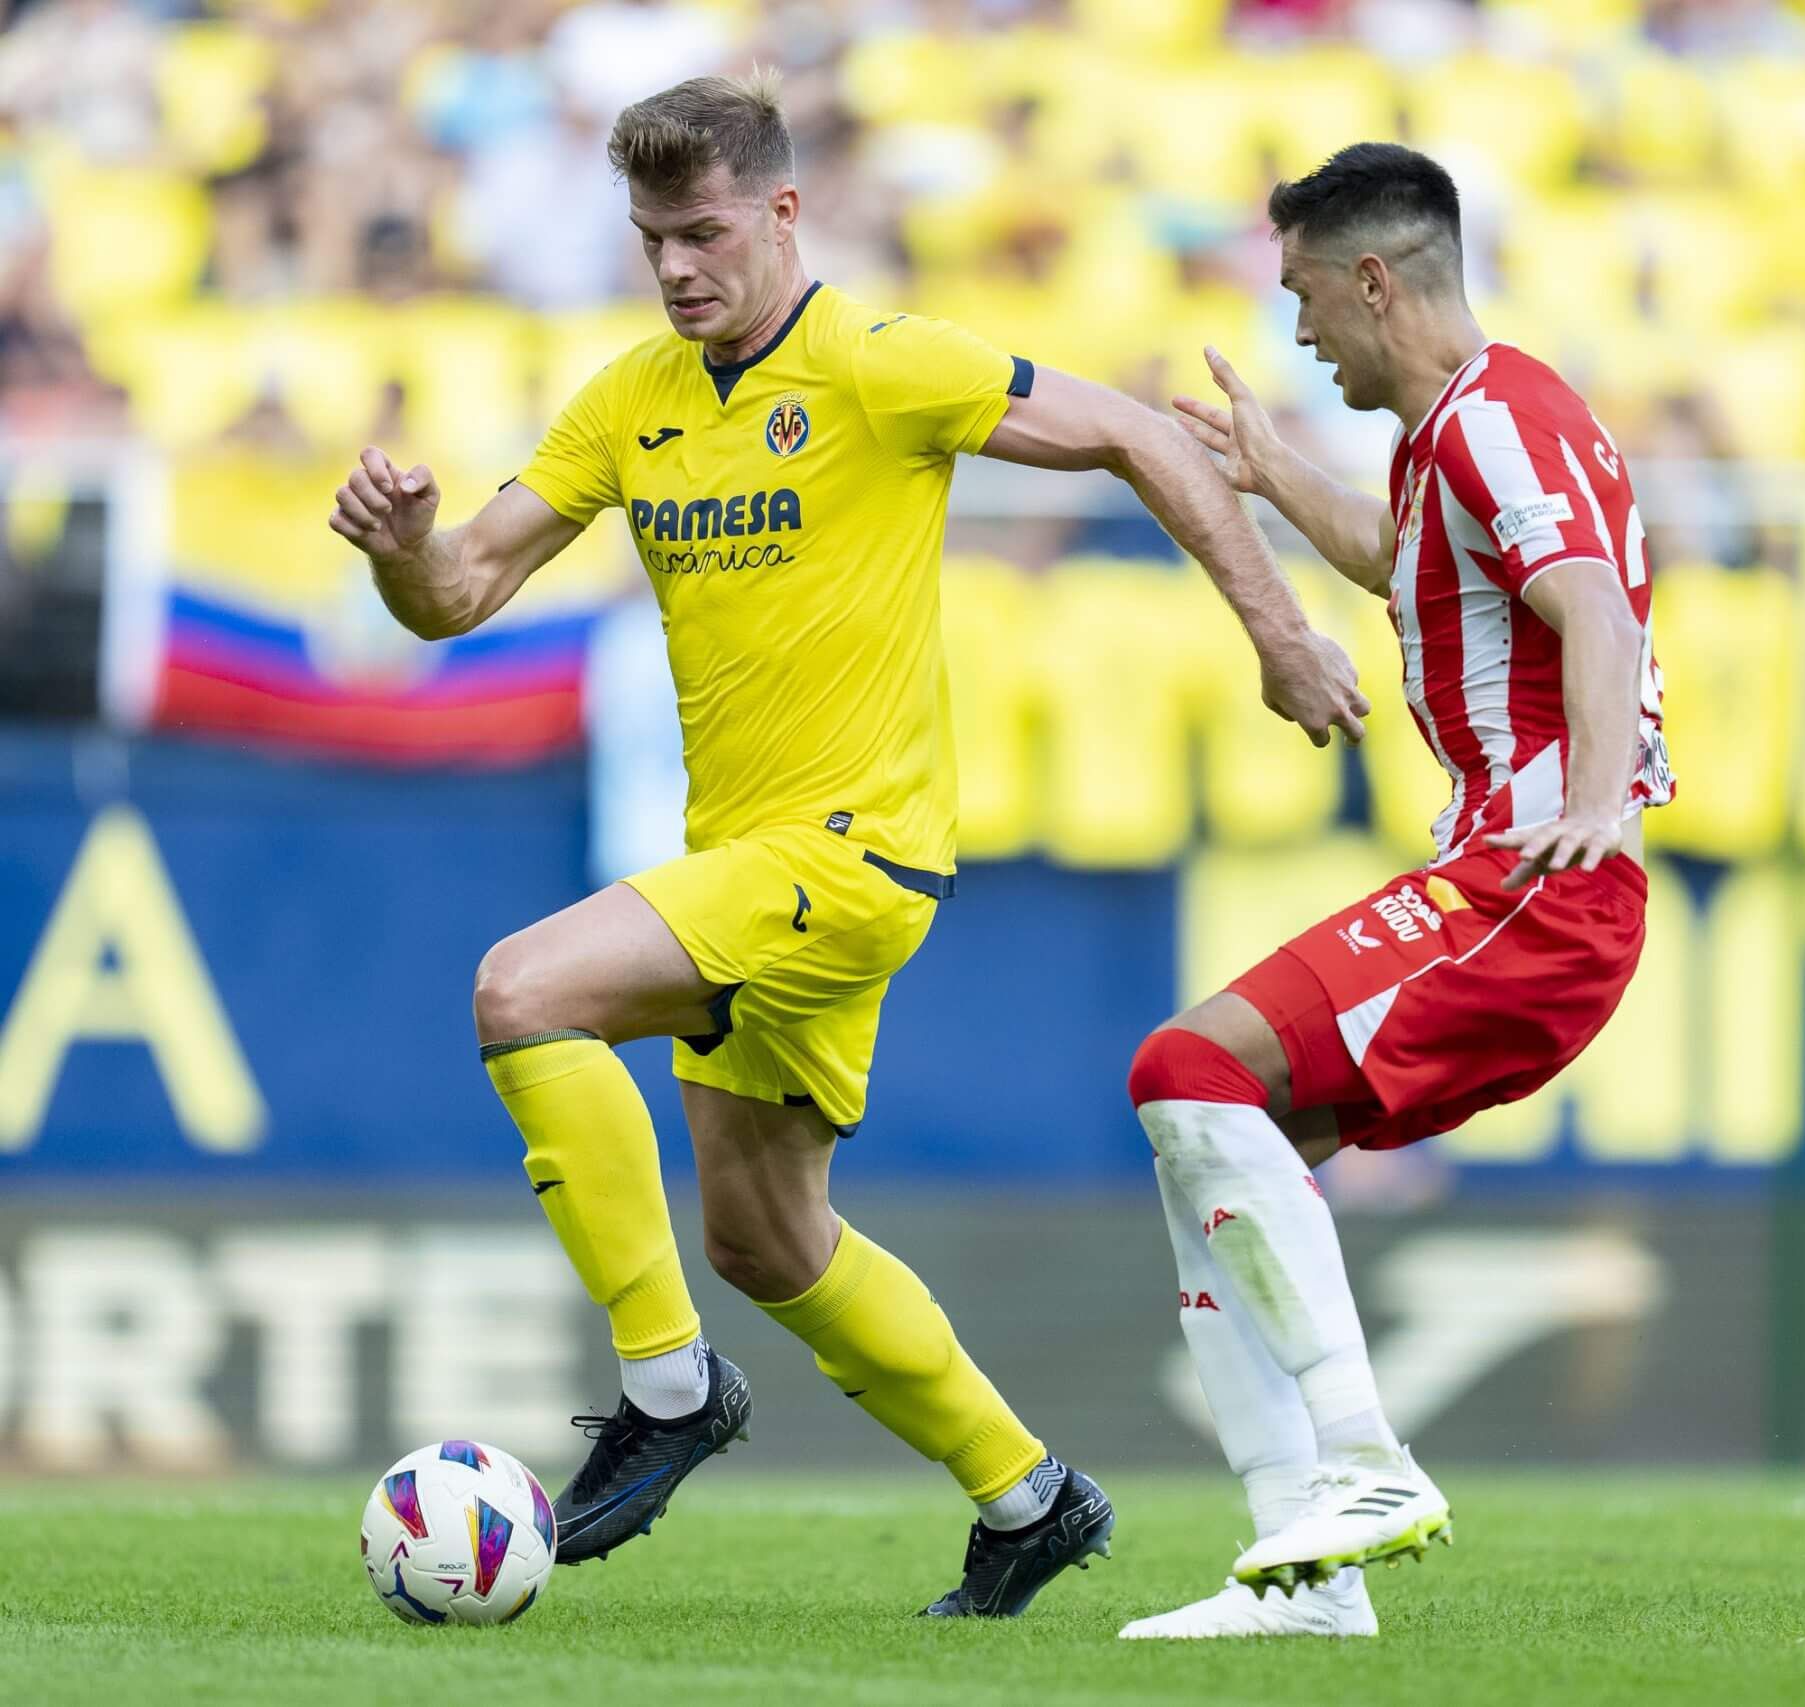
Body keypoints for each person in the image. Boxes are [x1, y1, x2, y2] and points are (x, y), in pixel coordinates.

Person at [325, 72, 1366, 1617]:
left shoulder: (882, 367)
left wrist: (1280, 637)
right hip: (753, 868)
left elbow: (1144, 436)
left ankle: (669, 1393)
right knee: (765, 1238)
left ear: (782, 212)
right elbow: (463, 591)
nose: (675, 267)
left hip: (852, 856)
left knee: (521, 992)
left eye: (701, 231)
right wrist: (408, 546)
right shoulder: (632, 398)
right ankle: (1028, 1495)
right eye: (648, 238)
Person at [1120, 142, 1673, 1639]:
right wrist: (1270, 468)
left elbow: (1599, 617)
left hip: (1535, 881)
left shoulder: (1497, 422)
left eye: (1305, 295)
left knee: (1184, 1071)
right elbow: (1402, 561)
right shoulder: (1456, 436)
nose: (1298, 331)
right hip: (1515, 879)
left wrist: (1602, 805)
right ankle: (1310, 1575)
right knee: (1216, 1148)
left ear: (1375, 280)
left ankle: (1361, 1464)